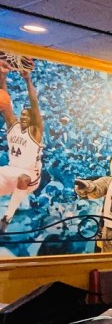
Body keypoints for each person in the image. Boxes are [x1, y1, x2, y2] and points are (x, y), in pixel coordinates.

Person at [0, 60, 44, 233]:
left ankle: (7, 218)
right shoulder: (13, 126)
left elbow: (34, 103)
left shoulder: (35, 131)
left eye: (28, 114)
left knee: (23, 178)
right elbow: (5, 104)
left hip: (31, 175)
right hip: (11, 169)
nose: (24, 116)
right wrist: (3, 75)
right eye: (23, 114)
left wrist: (28, 80)